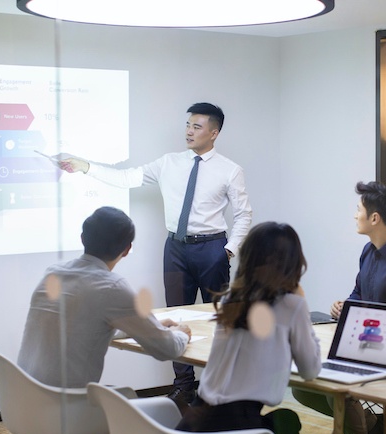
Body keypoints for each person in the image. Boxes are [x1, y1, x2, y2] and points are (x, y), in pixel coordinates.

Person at [58, 103, 252, 409]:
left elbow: (243, 215)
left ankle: (220, 387)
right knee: (176, 315)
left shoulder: (230, 170)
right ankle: (184, 387)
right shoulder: (169, 163)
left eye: (197, 126)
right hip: (175, 248)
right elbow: (127, 178)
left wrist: (228, 251)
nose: (189, 131)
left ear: (214, 133)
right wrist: (87, 167)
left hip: (212, 248)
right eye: (188, 124)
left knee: (220, 317)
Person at [17, 206, 192, 434]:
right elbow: (165, 350)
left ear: (83, 236)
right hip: (65, 411)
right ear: (127, 249)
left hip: (25, 404)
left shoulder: (54, 273)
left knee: (112, 396)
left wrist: (146, 325)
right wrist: (179, 334)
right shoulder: (111, 286)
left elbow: (88, 322)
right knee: (132, 402)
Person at [176, 222, 322, 434]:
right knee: (289, 427)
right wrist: (302, 301)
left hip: (194, 424)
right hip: (234, 430)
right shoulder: (292, 305)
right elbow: (311, 369)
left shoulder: (231, 299)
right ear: (292, 263)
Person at [293, 181, 386, 434]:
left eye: (358, 210)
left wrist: (363, 315)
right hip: (363, 340)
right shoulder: (368, 251)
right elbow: (359, 295)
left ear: (374, 218)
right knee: (302, 387)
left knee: (332, 385)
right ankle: (372, 427)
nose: (355, 215)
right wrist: (344, 307)